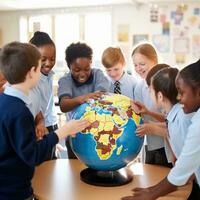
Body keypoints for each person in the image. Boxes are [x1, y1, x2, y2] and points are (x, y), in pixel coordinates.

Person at [0, 42, 89, 200]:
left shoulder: (5, 102)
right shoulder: (19, 111)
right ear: (31, 72)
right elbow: (32, 155)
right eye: (39, 67)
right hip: (14, 193)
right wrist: (62, 132)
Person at [121, 59, 200, 200]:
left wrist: (153, 193)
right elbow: (168, 124)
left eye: (149, 90)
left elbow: (184, 167)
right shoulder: (180, 114)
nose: (179, 98)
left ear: (159, 96)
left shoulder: (185, 117)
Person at [58, 42, 110, 158]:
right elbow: (63, 105)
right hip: (75, 135)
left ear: (91, 63)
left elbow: (101, 95)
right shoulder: (65, 80)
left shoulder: (98, 74)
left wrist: (91, 96)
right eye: (77, 70)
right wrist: (83, 98)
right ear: (69, 66)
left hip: (98, 133)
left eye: (87, 69)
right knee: (75, 171)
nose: (82, 74)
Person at [132, 43, 168, 166]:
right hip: (149, 144)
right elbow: (141, 115)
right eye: (135, 65)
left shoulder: (166, 84)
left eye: (142, 64)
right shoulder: (139, 87)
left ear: (155, 61)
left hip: (167, 143)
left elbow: (171, 120)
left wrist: (150, 121)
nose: (138, 68)